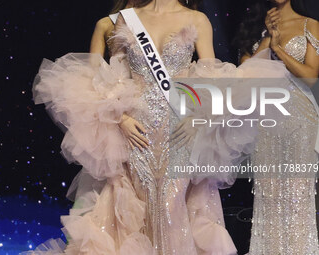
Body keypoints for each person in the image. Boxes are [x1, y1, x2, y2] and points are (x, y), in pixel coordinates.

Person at [22, 0, 239, 254]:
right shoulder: (118, 22)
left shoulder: (197, 19)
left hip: (179, 132)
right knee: (137, 211)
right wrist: (120, 118)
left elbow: (212, 78)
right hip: (134, 133)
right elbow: (92, 81)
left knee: (171, 209)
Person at [235, 0, 319, 254]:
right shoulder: (255, 28)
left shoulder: (310, 25)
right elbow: (244, 75)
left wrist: (278, 48)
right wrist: (266, 39)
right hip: (266, 121)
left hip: (300, 119)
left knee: (297, 196)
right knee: (268, 195)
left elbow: (310, 76)